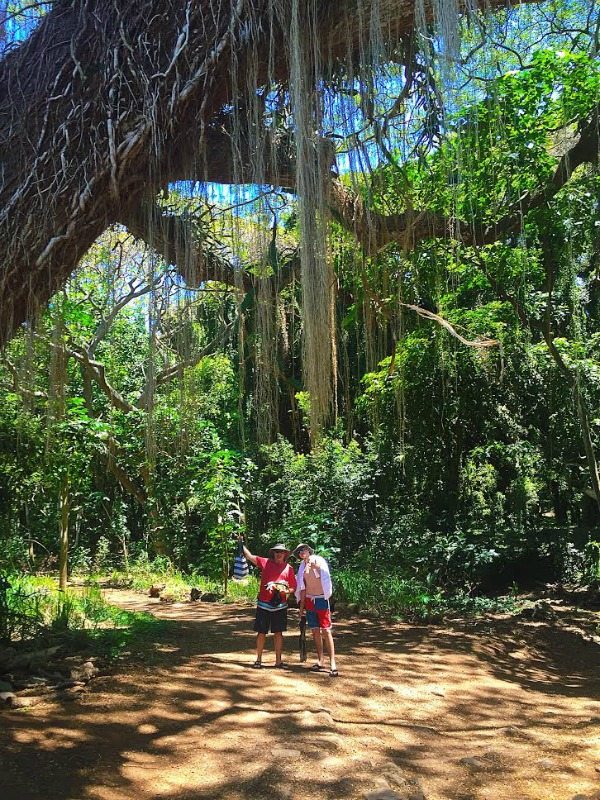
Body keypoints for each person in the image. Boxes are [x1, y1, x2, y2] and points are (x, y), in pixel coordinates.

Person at [240, 537, 297, 669]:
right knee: (261, 632)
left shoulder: (289, 568)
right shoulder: (265, 563)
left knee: (278, 633)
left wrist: (284, 591)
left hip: (280, 606)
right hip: (264, 604)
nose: (279, 554)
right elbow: (249, 556)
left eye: (281, 552)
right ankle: (258, 660)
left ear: (285, 554)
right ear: (273, 553)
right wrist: (240, 543)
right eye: (276, 552)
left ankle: (278, 661)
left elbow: (293, 587)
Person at [293, 543, 338, 677]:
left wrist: (313, 566)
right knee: (315, 631)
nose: (302, 553)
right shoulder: (301, 568)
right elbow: (302, 588)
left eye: (303, 550)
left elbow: (323, 576)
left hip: (321, 600)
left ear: (308, 551)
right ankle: (320, 660)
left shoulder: (318, 561)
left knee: (326, 630)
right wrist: (301, 608)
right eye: (299, 552)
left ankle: (333, 663)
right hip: (309, 600)